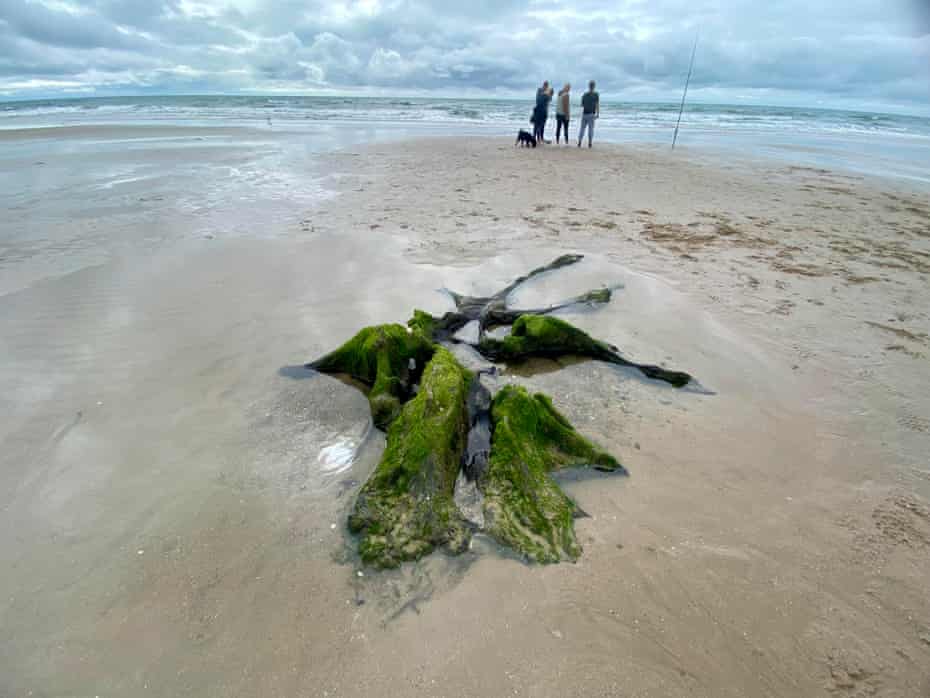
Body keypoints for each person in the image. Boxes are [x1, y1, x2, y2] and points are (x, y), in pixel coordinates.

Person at [578, 80, 599, 148]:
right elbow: (597, 105)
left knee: (582, 128)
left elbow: (581, 105)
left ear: (589, 86)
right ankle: (590, 143)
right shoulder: (596, 94)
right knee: (591, 129)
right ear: (594, 86)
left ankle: (579, 142)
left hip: (584, 113)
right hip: (592, 114)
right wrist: (598, 113)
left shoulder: (584, 94)